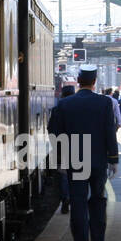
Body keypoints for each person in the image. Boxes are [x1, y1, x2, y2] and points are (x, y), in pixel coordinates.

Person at [48, 66, 119, 241]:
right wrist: (113, 159)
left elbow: (54, 133)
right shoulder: (104, 103)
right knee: (98, 200)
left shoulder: (64, 104)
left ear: (78, 81)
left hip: (76, 160)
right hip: (98, 160)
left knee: (78, 203)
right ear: (94, 81)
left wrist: (60, 158)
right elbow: (109, 131)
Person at [54, 83, 76, 214]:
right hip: (80, 144)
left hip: (63, 145)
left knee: (64, 175)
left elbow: (52, 129)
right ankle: (75, 199)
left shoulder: (58, 108)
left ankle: (65, 199)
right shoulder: (80, 107)